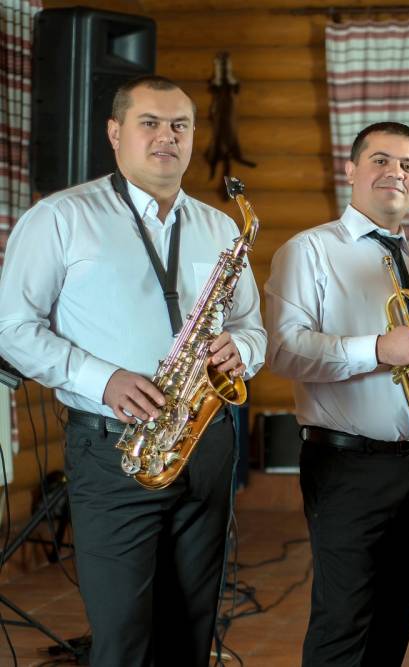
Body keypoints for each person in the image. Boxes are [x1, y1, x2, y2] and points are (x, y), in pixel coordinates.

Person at [0, 75, 266, 665]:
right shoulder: (61, 217)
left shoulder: (220, 227)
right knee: (122, 638)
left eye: (179, 125)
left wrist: (242, 351)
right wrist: (103, 380)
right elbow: (11, 328)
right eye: (150, 123)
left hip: (204, 444)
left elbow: (252, 327)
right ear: (115, 132)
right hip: (114, 449)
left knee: (192, 631)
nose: (167, 136)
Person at [265, 122, 409, 666]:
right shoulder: (309, 251)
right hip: (345, 463)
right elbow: (283, 351)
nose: (395, 173)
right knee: (343, 623)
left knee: (395, 620)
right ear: (352, 170)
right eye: (380, 160)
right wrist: (381, 348)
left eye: (408, 165)